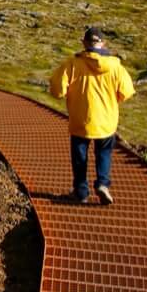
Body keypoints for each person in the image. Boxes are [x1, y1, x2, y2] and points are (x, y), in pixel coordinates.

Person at [48, 27, 135, 205]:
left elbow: (57, 90)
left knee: (80, 156)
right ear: (103, 43)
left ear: (84, 43)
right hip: (106, 121)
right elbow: (126, 92)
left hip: (80, 120)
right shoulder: (115, 67)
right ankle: (102, 184)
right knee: (104, 153)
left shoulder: (73, 64)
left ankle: (81, 192)